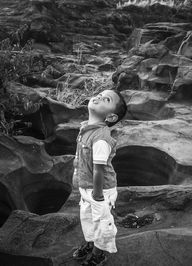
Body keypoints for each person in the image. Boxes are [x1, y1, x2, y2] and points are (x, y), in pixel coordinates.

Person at [72, 89, 127, 266]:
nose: (98, 97)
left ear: (111, 118)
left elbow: (98, 170)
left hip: (100, 189)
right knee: (87, 216)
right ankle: (90, 242)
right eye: (99, 94)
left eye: (106, 99)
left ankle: (99, 253)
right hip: (87, 186)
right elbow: (79, 156)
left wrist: (97, 194)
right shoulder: (84, 128)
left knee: (102, 221)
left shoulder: (101, 139)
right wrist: (76, 174)